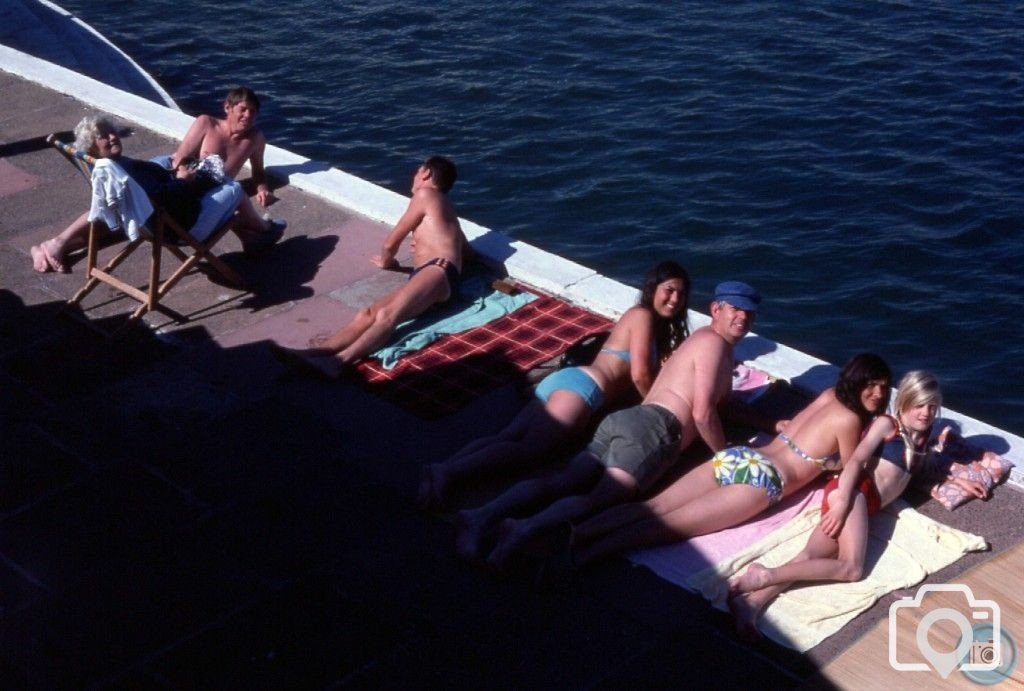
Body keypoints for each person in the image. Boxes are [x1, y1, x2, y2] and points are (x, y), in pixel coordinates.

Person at [461, 280, 764, 567]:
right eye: (735, 309)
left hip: (629, 420)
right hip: (654, 431)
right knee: (596, 501)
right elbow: (702, 413)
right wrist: (725, 456)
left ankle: (483, 513)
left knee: (563, 481)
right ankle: (520, 529)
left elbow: (719, 406)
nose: (742, 317)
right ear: (715, 309)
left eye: (749, 312)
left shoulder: (704, 343)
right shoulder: (714, 345)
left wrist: (771, 423)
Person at [563, 353, 893, 574]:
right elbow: (851, 467)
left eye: (882, 386)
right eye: (872, 385)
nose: (878, 393)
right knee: (667, 525)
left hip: (742, 456)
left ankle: (580, 531)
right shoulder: (850, 419)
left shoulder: (829, 395)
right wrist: (873, 437)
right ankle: (584, 555)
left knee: (655, 507)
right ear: (857, 382)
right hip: (766, 479)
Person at [726, 370, 988, 640]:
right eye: (919, 405)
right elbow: (855, 460)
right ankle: (764, 575)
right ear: (905, 403)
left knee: (810, 557)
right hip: (853, 494)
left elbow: (912, 474)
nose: (925, 412)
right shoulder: (888, 425)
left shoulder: (922, 437)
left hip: (864, 504)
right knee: (851, 569)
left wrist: (958, 482)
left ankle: (751, 604)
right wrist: (841, 501)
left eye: (932, 406)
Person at [417, 260, 691, 512]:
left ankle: (442, 468)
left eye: (681, 293)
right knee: (530, 449)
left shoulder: (647, 324)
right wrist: (650, 408)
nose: (675, 298)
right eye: (669, 290)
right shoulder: (641, 315)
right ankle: (449, 474)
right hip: (586, 390)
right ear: (653, 288)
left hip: (572, 382)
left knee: (509, 437)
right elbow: (641, 374)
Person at [31, 88, 282, 272]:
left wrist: (261, 187)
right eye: (243, 110)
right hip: (176, 196)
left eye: (253, 112)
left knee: (128, 205)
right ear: (228, 107)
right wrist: (182, 178)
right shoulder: (207, 123)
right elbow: (180, 158)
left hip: (168, 197)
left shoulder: (256, 138)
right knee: (233, 191)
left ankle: (56, 244)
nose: (248, 116)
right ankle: (261, 231)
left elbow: (258, 170)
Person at [271, 156, 464, 378]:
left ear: (426, 174)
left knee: (386, 315)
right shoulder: (446, 209)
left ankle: (337, 363)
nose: (414, 177)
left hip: (438, 270)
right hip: (435, 273)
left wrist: (387, 260)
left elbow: (392, 240)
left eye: (417, 172)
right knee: (368, 313)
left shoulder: (425, 194)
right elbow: (462, 248)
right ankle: (313, 354)